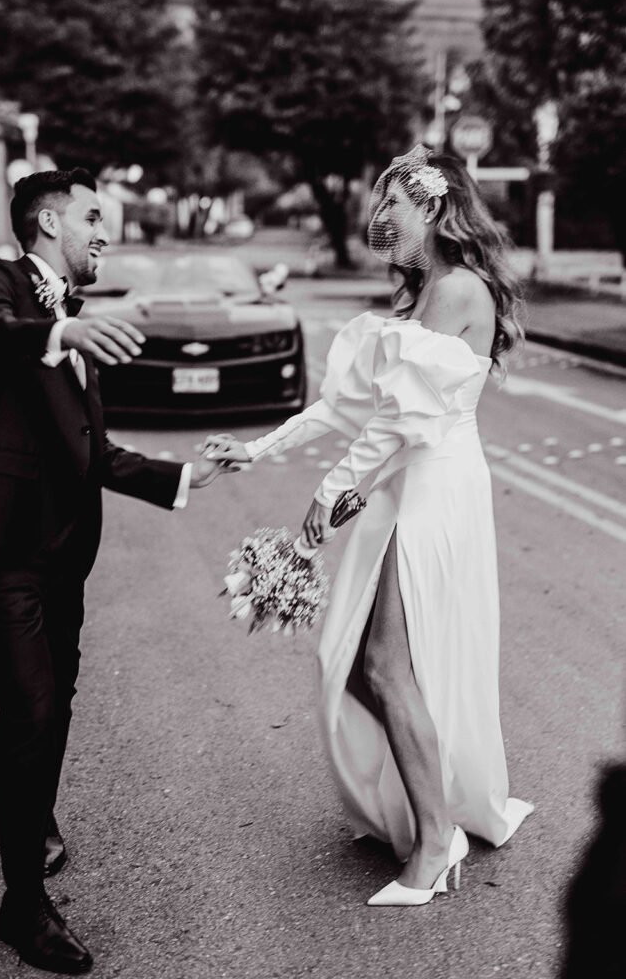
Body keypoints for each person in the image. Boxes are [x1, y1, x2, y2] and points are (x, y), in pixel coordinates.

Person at [204, 145, 533, 906]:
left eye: (395, 204)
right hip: (400, 486)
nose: (381, 217)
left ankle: (435, 842)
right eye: (380, 203)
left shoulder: (457, 290)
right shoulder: (421, 296)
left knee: (383, 664)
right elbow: (346, 406)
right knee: (353, 662)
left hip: (434, 488)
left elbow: (396, 425)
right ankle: (419, 806)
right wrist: (258, 448)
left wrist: (330, 494)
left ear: (435, 207)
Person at [0, 169, 233, 973]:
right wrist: (61, 335)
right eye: (94, 216)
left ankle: (31, 811)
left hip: (60, 551)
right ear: (48, 222)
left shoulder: (72, 321)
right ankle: (22, 907)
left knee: (56, 698)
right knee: (32, 707)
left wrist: (187, 476)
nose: (108, 232)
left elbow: (92, 452)